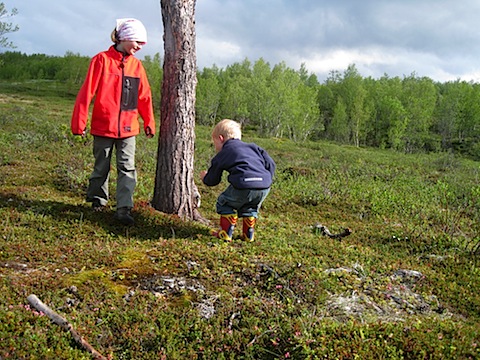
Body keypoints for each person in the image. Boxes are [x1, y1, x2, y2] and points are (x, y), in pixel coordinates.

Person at [71, 18, 155, 226]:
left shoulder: (137, 67)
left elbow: (144, 97)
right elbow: (86, 93)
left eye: (142, 43)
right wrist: (78, 124)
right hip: (103, 127)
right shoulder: (101, 60)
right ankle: (98, 201)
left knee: (127, 167)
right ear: (125, 37)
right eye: (137, 41)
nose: (140, 46)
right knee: (101, 166)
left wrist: (149, 122)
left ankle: (124, 209)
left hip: (129, 129)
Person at [200, 119, 276, 242]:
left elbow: (213, 180)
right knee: (250, 207)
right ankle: (248, 235)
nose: (216, 148)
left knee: (224, 202)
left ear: (221, 138)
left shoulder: (224, 153)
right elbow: (271, 164)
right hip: (264, 186)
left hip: (243, 184)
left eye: (215, 143)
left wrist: (205, 178)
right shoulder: (254, 147)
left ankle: (225, 233)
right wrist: (264, 179)